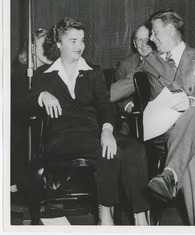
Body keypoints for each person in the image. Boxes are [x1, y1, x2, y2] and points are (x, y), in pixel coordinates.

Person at [19, 17, 150, 225]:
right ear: (59, 44)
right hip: (62, 137)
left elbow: (105, 105)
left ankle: (140, 217)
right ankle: (105, 216)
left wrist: (107, 130)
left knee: (135, 147)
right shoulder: (44, 75)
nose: (80, 46)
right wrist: (42, 95)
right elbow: (23, 105)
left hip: (93, 131)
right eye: (73, 41)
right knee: (108, 149)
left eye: (82, 40)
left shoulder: (93, 71)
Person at [142, 9, 195, 225]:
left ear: (170, 29)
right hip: (167, 132)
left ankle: (169, 175)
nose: (151, 38)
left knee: (192, 111)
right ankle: (171, 175)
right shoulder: (149, 61)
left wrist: (192, 100)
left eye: (155, 32)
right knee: (191, 158)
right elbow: (120, 87)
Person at [11, 28, 52, 197]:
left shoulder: (50, 72)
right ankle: (16, 182)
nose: (50, 50)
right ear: (33, 48)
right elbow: (18, 107)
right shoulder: (22, 72)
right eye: (45, 45)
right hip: (20, 125)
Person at [110, 23, 154, 135]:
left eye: (147, 39)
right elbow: (118, 93)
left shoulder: (163, 61)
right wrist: (129, 106)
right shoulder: (125, 64)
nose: (144, 44)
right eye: (139, 40)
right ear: (134, 43)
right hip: (134, 116)